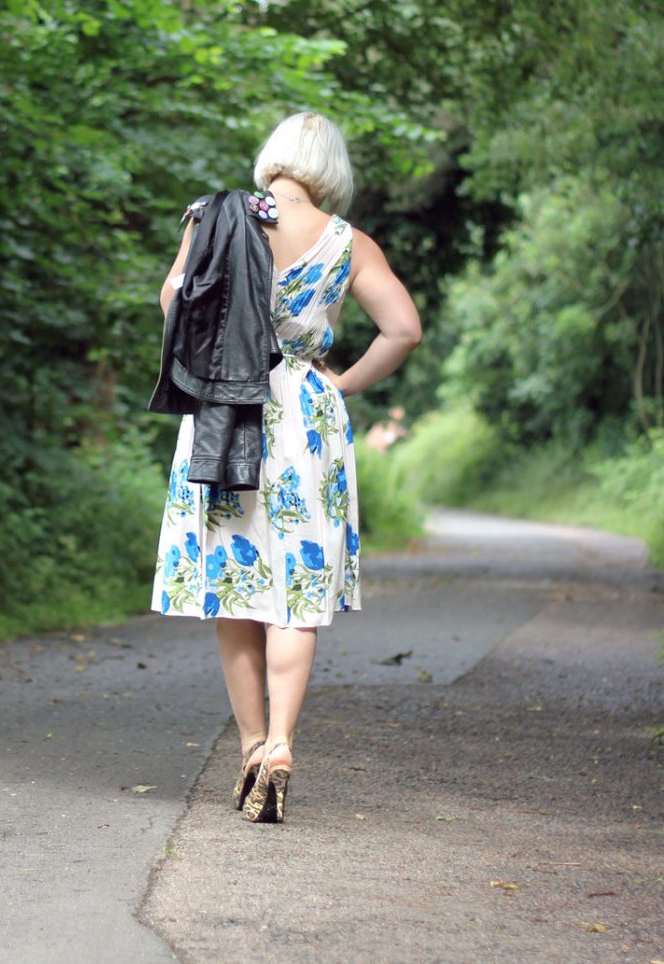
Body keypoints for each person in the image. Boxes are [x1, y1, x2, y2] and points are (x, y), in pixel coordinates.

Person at [150, 112, 421, 822]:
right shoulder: (348, 242)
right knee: (294, 591)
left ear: (272, 160)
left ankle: (247, 746)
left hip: (222, 409)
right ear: (330, 170)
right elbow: (404, 328)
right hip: (303, 411)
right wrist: (344, 381)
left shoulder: (212, 216)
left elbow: (173, 301)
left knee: (237, 586)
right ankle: (280, 745)